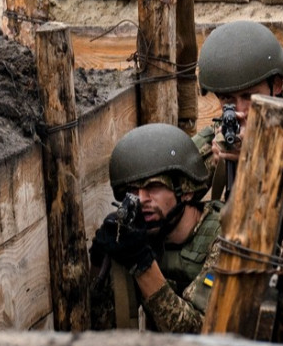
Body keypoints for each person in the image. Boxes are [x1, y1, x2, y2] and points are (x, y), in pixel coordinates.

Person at [89, 123, 224, 334]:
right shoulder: (139, 237)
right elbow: (103, 331)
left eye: (153, 187)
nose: (142, 199)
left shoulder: (224, 236)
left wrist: (143, 265)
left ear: (186, 190)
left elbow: (198, 333)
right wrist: (100, 266)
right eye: (134, 190)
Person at [193, 20, 283, 199]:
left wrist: (256, 158)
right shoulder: (230, 126)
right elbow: (175, 177)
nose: (241, 110)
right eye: (227, 99)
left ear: (276, 85)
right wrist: (219, 159)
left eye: (249, 96)